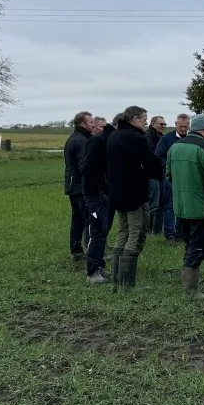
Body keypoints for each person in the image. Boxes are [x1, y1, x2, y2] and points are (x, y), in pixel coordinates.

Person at [106, 106, 163, 291]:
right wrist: (153, 172)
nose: (146, 122)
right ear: (135, 119)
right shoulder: (135, 138)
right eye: (144, 118)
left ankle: (116, 279)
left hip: (117, 192)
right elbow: (151, 162)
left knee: (123, 232)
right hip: (134, 193)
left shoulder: (115, 135)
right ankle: (127, 284)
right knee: (136, 233)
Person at [166, 114, 204, 300]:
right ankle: (192, 291)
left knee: (189, 243)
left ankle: (188, 282)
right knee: (199, 247)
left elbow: (168, 175)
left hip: (180, 206)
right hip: (201, 208)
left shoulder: (174, 146)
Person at [80, 113, 119, 285]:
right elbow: (87, 169)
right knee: (97, 233)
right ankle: (92, 272)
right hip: (96, 196)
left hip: (106, 194)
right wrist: (101, 191)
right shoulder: (98, 141)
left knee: (103, 232)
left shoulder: (110, 140)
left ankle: (100, 266)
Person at [63, 111, 94, 262]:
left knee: (78, 219)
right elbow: (85, 165)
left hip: (73, 184)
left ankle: (76, 249)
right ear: (83, 124)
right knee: (86, 218)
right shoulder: (81, 140)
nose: (93, 124)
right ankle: (87, 249)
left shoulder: (74, 138)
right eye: (91, 122)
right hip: (79, 186)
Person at [154, 113, 190, 243]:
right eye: (180, 126)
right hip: (171, 177)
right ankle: (170, 234)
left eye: (185, 126)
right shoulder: (166, 139)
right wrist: (172, 165)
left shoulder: (191, 139)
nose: (183, 129)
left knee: (183, 205)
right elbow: (158, 156)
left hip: (187, 178)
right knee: (169, 205)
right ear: (175, 124)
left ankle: (180, 232)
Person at [144, 115, 167, 235]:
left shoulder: (160, 137)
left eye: (164, 124)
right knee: (153, 204)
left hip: (160, 175)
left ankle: (157, 230)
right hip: (152, 175)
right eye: (161, 124)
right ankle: (148, 230)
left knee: (160, 203)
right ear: (153, 124)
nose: (163, 126)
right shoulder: (148, 137)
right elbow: (152, 155)